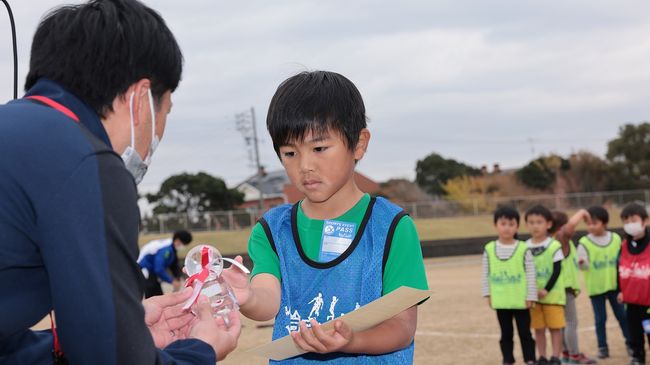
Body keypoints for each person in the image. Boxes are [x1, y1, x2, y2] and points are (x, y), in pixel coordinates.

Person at [0, 0, 240, 364]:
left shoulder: (19, 134)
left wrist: (122, 331)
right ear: (141, 98)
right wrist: (199, 350)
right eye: (166, 111)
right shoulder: (86, 162)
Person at [222, 70, 429, 363]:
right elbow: (267, 301)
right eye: (290, 153)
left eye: (319, 148)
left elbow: (402, 326)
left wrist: (352, 340)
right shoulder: (272, 230)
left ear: (358, 144)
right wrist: (246, 298)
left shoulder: (392, 227)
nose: (305, 165)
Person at [481, 206, 537, 365]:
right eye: (503, 223)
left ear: (517, 227)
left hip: (521, 300)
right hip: (501, 300)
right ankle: (508, 359)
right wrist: (488, 294)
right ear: (496, 225)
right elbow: (486, 273)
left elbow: (531, 273)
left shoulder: (523, 248)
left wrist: (531, 295)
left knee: (525, 333)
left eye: (511, 224)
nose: (507, 228)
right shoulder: (489, 248)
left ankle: (530, 359)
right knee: (506, 333)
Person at [577, 206, 631, 359]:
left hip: (615, 286)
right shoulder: (584, 242)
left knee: (622, 316)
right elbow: (583, 266)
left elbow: (623, 260)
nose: (591, 226)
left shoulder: (615, 239)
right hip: (596, 287)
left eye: (595, 223)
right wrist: (582, 263)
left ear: (605, 223)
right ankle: (602, 347)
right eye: (589, 223)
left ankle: (630, 343)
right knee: (600, 319)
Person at [549, 210, 596, 364]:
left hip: (556, 289)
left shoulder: (549, 241)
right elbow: (570, 226)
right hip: (564, 288)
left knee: (561, 323)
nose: (572, 230)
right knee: (570, 322)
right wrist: (583, 213)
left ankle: (566, 353)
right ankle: (574, 354)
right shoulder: (560, 238)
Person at [525, 205, 565, 365]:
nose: (535, 226)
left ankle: (555, 357)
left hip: (552, 296)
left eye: (539, 222)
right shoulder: (524, 246)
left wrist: (546, 289)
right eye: (531, 222)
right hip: (534, 298)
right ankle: (542, 356)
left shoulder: (554, 245)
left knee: (555, 328)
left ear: (548, 224)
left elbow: (557, 270)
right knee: (538, 329)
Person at [617, 203, 650, 365]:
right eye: (626, 221)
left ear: (644, 221)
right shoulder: (624, 246)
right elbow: (619, 269)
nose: (630, 224)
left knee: (649, 330)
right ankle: (638, 357)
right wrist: (620, 291)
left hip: (648, 302)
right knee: (634, 332)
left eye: (634, 220)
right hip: (631, 301)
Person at [139, 230, 193, 298]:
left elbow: (173, 264)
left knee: (158, 296)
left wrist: (178, 277)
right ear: (177, 240)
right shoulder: (166, 249)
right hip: (144, 269)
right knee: (154, 297)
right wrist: (172, 281)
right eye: (184, 244)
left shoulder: (172, 247)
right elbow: (158, 269)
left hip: (152, 270)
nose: (183, 246)